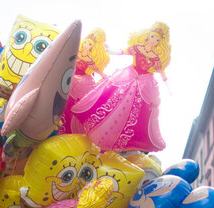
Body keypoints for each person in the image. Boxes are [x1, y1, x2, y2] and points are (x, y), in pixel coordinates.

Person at [69, 22, 170, 153]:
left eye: (157, 40)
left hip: (144, 82)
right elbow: (122, 52)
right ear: (146, 37)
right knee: (109, 96)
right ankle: (97, 124)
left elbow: (161, 70)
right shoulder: (137, 48)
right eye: (153, 37)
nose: (154, 41)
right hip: (128, 75)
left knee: (138, 110)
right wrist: (110, 51)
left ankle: (116, 136)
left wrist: (167, 83)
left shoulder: (155, 57)